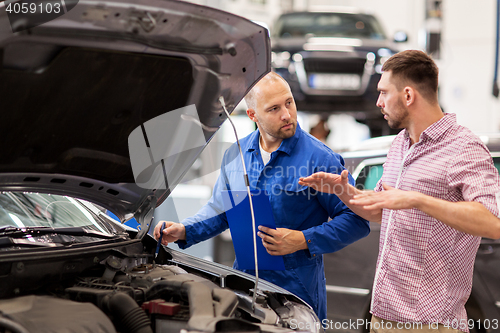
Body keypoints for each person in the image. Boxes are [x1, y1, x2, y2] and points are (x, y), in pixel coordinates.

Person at [299, 50, 500, 333]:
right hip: (383, 317)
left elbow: (492, 222)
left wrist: (416, 200)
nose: (378, 101)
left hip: (431, 325)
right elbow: (381, 210)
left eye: (383, 92)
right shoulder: (399, 145)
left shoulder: (463, 148)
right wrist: (343, 191)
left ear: (408, 96)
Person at [153, 72, 370, 322]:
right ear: (253, 115)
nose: (287, 114)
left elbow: (357, 220)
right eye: (274, 108)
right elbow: (222, 210)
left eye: (289, 102)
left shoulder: (320, 159)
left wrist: (303, 239)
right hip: (243, 286)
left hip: (296, 293)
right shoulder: (236, 153)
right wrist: (184, 229)